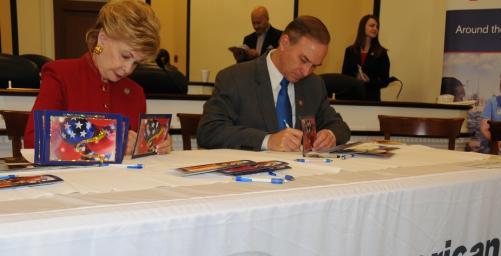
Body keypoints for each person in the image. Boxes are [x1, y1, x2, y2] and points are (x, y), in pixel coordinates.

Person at [23, 0, 171, 154]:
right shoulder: (60, 75)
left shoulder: (135, 93)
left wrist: (154, 145)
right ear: (102, 38)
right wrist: (110, 143)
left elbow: (137, 152)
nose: (128, 69)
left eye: (136, 63)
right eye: (125, 56)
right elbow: (33, 140)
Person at [197, 15, 351, 152]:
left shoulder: (313, 85)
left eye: (314, 66)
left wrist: (330, 135)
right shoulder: (235, 78)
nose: (306, 71)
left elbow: (340, 127)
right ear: (284, 43)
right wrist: (267, 141)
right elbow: (209, 131)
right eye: (303, 60)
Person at [341, 14, 390, 101]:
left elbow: (385, 81)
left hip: (371, 100)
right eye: (372, 26)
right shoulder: (350, 51)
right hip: (352, 99)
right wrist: (356, 77)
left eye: (377, 26)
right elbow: (344, 76)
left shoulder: (381, 53)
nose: (375, 29)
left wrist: (370, 80)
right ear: (362, 27)